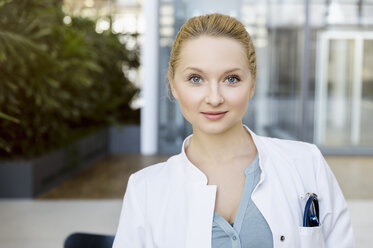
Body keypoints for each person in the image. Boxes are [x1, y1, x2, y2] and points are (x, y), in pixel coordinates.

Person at [113, 13, 355, 248]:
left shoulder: (306, 164)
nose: (214, 98)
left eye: (231, 79)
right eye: (196, 79)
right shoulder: (145, 190)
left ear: (252, 84)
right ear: (173, 85)